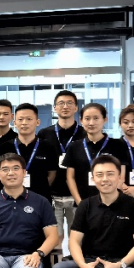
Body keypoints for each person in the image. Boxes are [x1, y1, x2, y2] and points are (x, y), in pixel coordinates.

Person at [38, 90, 82, 243]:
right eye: (61, 103)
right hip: (52, 195)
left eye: (70, 103)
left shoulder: (84, 134)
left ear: (76, 107)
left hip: (77, 196)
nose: (65, 106)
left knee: (77, 240)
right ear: (55, 108)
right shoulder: (44, 134)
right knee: (54, 240)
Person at [63, 103, 128, 205]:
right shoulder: (74, 146)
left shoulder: (118, 145)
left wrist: (109, 202)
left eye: (96, 118)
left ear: (105, 119)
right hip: (83, 202)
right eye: (87, 118)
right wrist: (80, 203)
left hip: (112, 203)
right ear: (81, 121)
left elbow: (121, 175)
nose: (91, 123)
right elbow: (70, 177)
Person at [2, 103, 59, 200]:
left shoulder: (48, 147)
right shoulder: (5, 147)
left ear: (37, 122)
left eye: (29, 119)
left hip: (40, 197)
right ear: (14, 123)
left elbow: (52, 173)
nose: (24, 123)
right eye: (20, 119)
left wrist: (41, 188)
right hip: (11, 198)